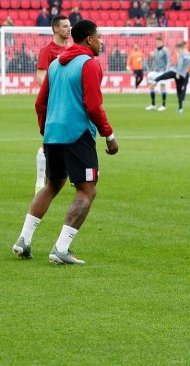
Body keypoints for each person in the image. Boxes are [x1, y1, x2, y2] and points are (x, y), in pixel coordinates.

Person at [12, 20, 119, 264]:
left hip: (52, 134)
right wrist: (109, 135)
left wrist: (46, 130)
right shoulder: (89, 64)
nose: (101, 42)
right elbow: (93, 106)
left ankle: (23, 240)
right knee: (87, 190)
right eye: (99, 37)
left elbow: (40, 103)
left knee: (52, 184)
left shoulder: (54, 66)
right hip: (77, 134)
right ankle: (61, 248)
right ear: (89, 40)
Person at [34, 15, 72, 194]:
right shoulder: (47, 51)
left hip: (69, 103)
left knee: (72, 137)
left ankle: (74, 175)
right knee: (49, 140)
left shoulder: (72, 50)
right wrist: (55, 92)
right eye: (65, 26)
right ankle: (40, 180)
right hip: (53, 103)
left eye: (69, 26)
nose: (69, 29)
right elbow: (40, 76)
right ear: (56, 29)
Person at [152, 41, 190, 113]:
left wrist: (177, 73)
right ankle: (180, 108)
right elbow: (186, 66)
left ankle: (155, 80)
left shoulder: (181, 54)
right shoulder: (189, 55)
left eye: (177, 49)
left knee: (165, 75)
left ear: (180, 48)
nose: (177, 51)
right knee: (179, 91)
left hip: (176, 72)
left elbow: (180, 64)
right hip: (183, 75)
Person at [145, 36, 171, 111]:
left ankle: (163, 105)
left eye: (159, 42)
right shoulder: (155, 50)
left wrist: (166, 71)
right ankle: (153, 105)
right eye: (156, 42)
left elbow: (169, 61)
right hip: (155, 71)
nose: (157, 43)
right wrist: (152, 69)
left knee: (162, 86)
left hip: (162, 71)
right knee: (151, 86)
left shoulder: (165, 50)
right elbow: (155, 62)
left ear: (162, 42)